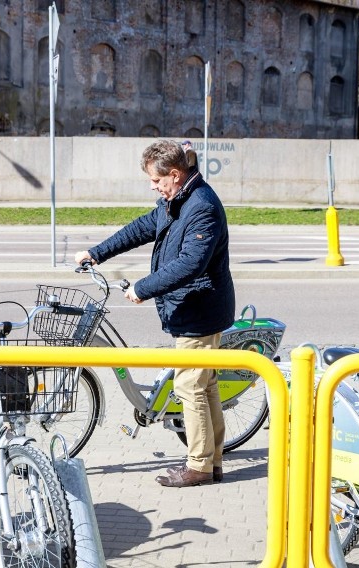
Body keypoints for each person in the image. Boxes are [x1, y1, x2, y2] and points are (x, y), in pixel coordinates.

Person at [75, 139, 234, 488]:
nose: (153, 186)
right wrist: (97, 253)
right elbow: (141, 229)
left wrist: (143, 288)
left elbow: (191, 264)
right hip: (193, 307)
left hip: (199, 309)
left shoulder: (201, 206)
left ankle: (199, 467)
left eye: (156, 181)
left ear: (175, 175)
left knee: (190, 387)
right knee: (204, 386)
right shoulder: (176, 200)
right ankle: (213, 461)